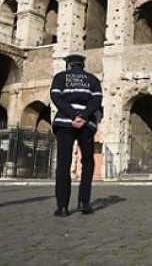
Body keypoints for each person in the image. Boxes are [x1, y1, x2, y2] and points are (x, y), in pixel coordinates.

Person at [50, 53, 103, 217]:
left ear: (69, 65)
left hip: (65, 123)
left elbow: (56, 98)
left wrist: (73, 115)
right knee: (87, 161)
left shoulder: (60, 77)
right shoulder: (93, 80)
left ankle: (63, 207)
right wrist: (84, 116)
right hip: (86, 124)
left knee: (63, 164)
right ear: (82, 65)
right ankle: (84, 203)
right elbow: (97, 101)